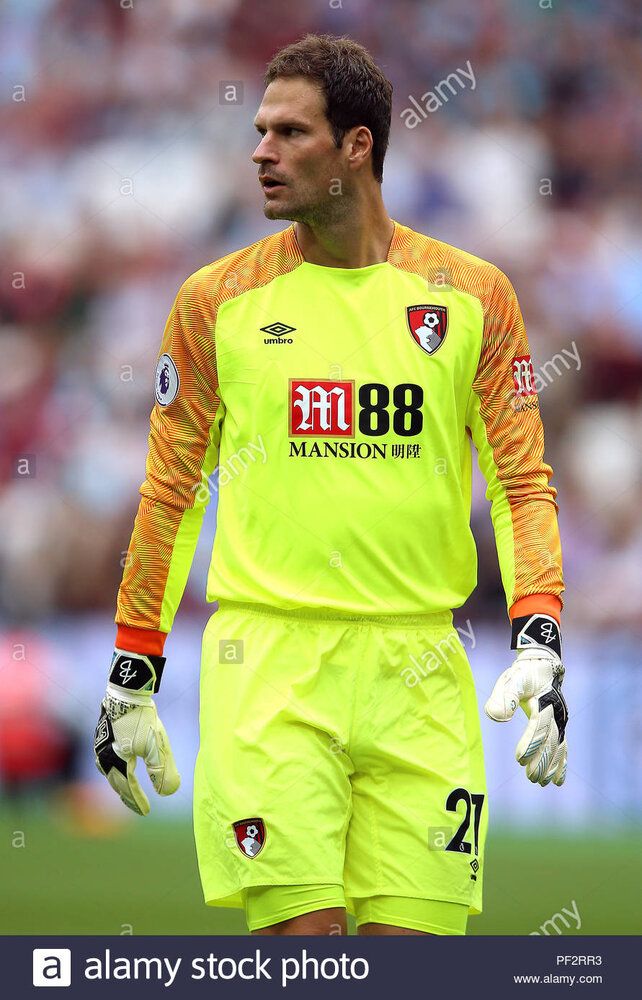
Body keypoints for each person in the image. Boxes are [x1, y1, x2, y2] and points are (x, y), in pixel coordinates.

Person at [94, 33, 568, 937]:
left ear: (358, 147)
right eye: (259, 131)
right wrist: (133, 667)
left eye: (289, 133)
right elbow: (171, 492)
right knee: (308, 961)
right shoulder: (215, 301)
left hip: (421, 667)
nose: (261, 153)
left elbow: (520, 482)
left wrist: (540, 633)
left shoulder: (472, 296)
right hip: (269, 664)